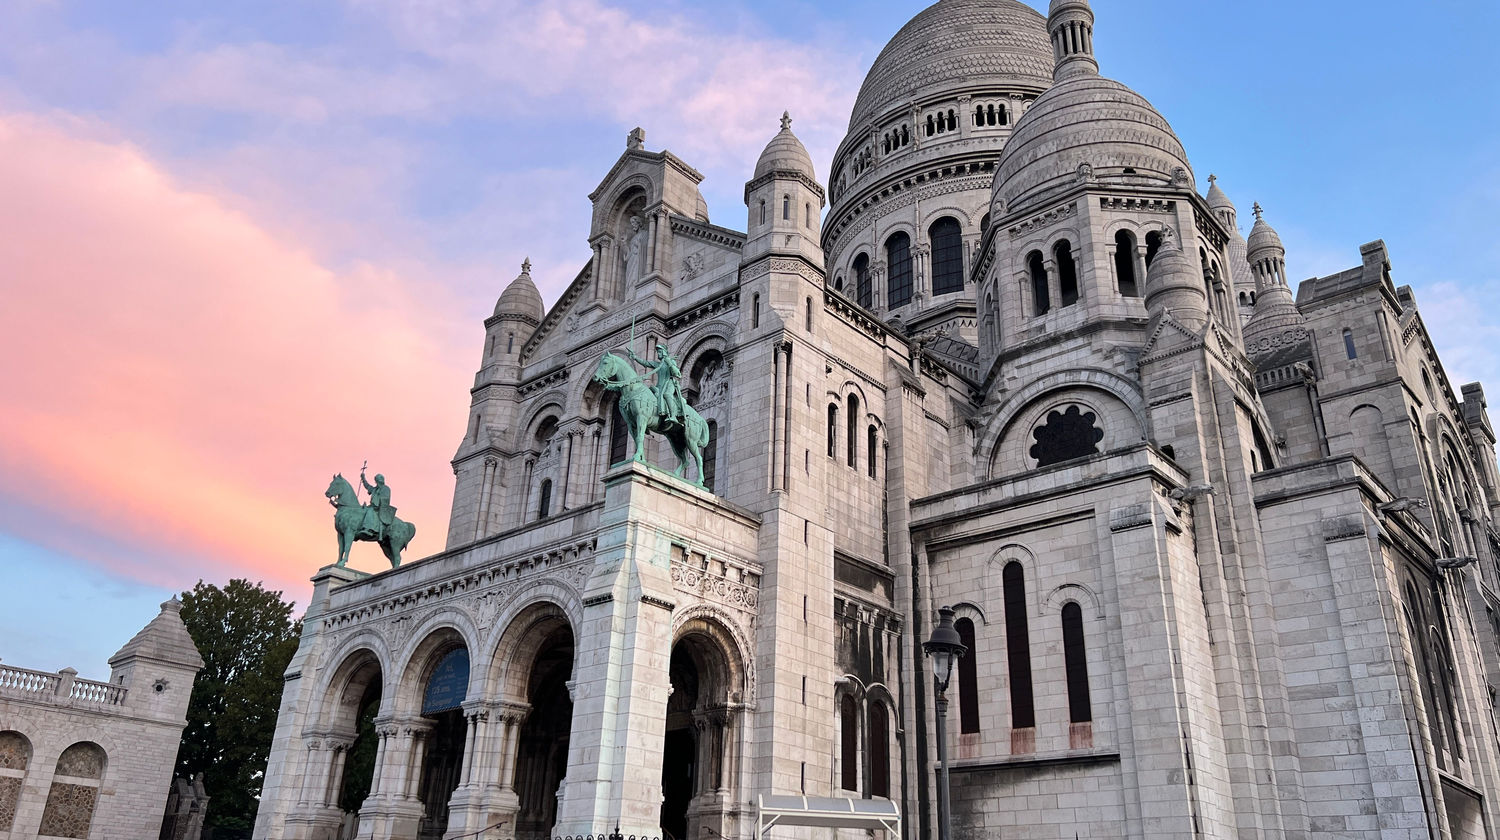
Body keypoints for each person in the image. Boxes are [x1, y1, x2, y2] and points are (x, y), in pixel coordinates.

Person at [627, 343, 687, 427]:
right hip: (660, 385)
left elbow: (677, 373)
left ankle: (673, 416)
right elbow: (645, 363)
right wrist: (635, 357)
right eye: (657, 351)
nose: (658, 353)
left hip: (669, 383)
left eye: (659, 351)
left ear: (664, 352)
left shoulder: (671, 361)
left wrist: (669, 362)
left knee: (667, 394)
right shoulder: (657, 364)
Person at [361, 471, 396, 536]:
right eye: (376, 481)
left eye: (378, 481)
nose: (377, 483)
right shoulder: (375, 489)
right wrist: (363, 478)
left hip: (380, 507)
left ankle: (369, 529)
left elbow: (386, 499)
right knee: (363, 510)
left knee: (370, 511)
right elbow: (368, 486)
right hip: (372, 506)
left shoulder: (386, 489)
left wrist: (378, 503)